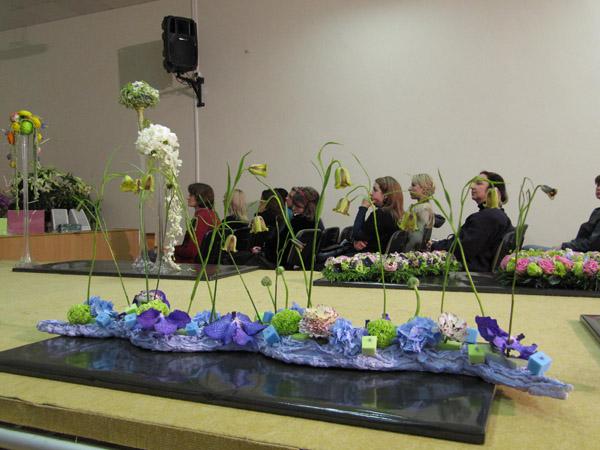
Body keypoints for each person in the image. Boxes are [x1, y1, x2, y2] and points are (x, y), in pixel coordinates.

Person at [431, 171, 513, 272]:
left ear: (493, 190)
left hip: (471, 273)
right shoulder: (497, 215)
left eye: (479, 183)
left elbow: (461, 249)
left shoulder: (487, 217)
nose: (472, 187)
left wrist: (433, 246)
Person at [352, 176, 404, 253]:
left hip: (373, 257)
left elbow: (356, 234)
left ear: (386, 195)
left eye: (375, 190)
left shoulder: (381, 214)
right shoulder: (399, 215)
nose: (371, 193)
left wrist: (363, 207)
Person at [174, 183, 219, 264]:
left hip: (193, 266)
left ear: (200, 197)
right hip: (206, 264)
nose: (188, 198)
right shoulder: (213, 215)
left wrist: (172, 250)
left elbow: (192, 251)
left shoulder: (201, 218)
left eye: (191, 195)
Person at [560, 175, 600, 252]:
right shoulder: (596, 211)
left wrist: (564, 246)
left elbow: (592, 245)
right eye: (598, 185)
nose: (598, 188)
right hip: (579, 252)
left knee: (534, 248)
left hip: (589, 256)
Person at [405, 173, 436, 251]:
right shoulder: (427, 207)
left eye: (413, 185)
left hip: (410, 252)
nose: (409, 188)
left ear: (424, 188)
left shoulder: (421, 209)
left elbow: (416, 238)